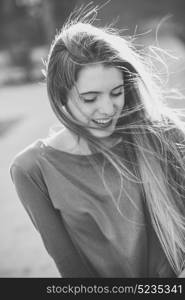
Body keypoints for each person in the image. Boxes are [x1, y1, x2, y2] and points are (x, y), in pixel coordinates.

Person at [9, 9, 185, 278]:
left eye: (116, 93)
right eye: (90, 98)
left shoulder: (164, 135)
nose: (108, 109)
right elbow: (72, 271)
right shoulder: (31, 170)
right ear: (60, 97)